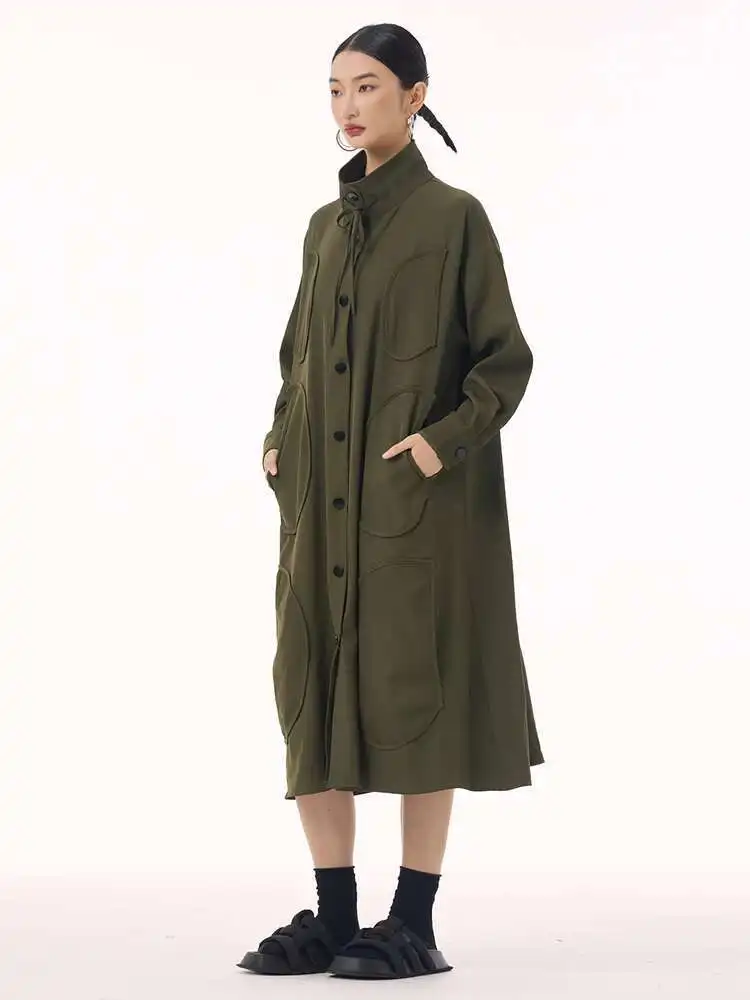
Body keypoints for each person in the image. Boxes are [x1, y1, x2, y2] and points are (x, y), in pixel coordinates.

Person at [237, 21, 545, 981]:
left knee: (418, 693)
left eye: (367, 86)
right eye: (336, 89)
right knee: (310, 685)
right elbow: (296, 357)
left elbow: (504, 361)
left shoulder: (455, 219)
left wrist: (437, 446)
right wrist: (280, 438)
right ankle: (335, 915)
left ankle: (413, 919)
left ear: (415, 97)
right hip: (318, 506)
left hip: (413, 508)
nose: (347, 106)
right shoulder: (324, 229)